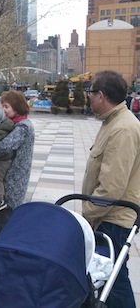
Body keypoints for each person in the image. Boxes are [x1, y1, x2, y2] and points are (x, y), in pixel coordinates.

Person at [81, 70, 140, 308]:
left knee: (114, 282)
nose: (89, 98)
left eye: (91, 93)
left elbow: (110, 189)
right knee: (107, 280)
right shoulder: (113, 122)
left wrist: (88, 216)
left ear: (101, 95)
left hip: (113, 220)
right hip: (109, 217)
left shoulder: (122, 129)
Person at [0, 91, 35, 232]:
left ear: (17, 107)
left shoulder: (22, 127)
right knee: (1, 218)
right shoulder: (17, 124)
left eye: (7, 106)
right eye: (2, 106)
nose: (3, 110)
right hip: (12, 180)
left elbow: (2, 146)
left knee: (3, 220)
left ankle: (7, 251)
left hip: (13, 182)